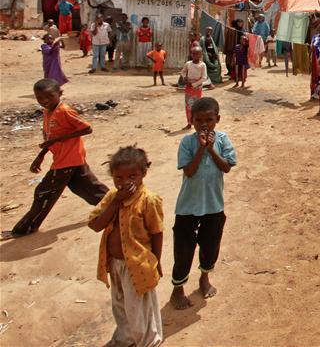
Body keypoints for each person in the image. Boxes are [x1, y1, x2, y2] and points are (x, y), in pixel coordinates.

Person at [5, 79, 109, 237]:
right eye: (39, 98)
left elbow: (87, 128)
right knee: (89, 188)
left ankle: (24, 229)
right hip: (68, 158)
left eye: (49, 96)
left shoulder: (64, 111)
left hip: (67, 159)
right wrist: (40, 156)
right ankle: (119, 207)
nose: (44, 101)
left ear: (60, 94)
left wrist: (57, 140)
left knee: (44, 192)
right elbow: (50, 137)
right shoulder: (48, 112)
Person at [88, 146, 164, 347]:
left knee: (139, 309)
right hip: (115, 264)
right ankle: (125, 339)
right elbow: (95, 225)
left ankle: (149, 341)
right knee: (120, 305)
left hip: (139, 265)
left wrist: (157, 261)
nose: (125, 182)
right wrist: (115, 202)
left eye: (132, 176)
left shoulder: (149, 200)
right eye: (118, 178)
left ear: (143, 174)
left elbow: (157, 233)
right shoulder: (112, 196)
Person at [170, 97, 236, 310]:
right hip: (188, 207)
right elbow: (188, 171)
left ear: (217, 119)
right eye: (199, 120)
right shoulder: (187, 142)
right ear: (192, 120)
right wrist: (200, 149)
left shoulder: (223, 139)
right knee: (183, 249)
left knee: (210, 246)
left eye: (209, 119)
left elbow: (226, 167)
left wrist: (210, 149)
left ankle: (204, 278)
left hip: (213, 206)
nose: (204, 124)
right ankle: (177, 289)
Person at [181, 46, 209, 129]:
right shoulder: (188, 63)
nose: (195, 55)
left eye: (197, 54)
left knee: (197, 106)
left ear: (201, 55)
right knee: (188, 105)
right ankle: (189, 123)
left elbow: (204, 77)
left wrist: (194, 84)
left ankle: (198, 123)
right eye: (193, 54)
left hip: (197, 88)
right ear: (191, 54)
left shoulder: (202, 65)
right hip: (188, 87)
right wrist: (185, 78)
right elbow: (183, 72)